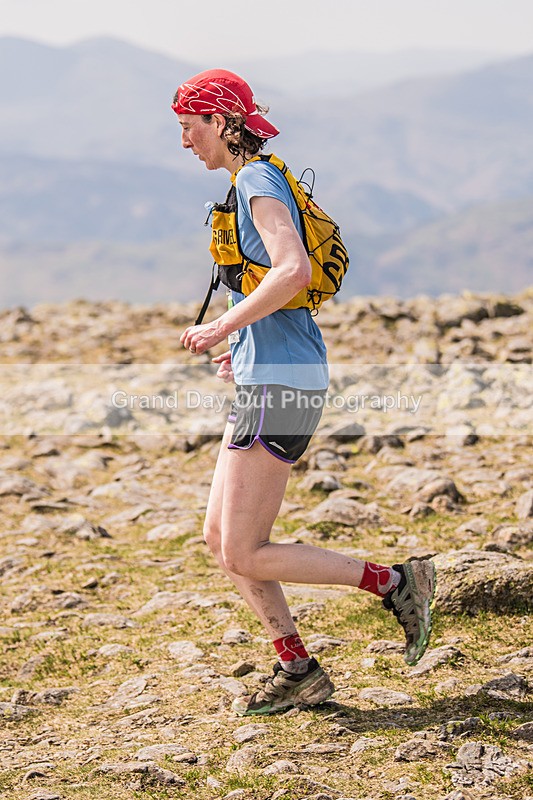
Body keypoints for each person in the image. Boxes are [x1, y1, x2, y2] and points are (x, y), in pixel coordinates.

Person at [172, 69, 436, 716]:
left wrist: (222, 327)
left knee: (244, 548)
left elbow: (292, 270)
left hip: (284, 384)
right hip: (271, 376)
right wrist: (241, 347)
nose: (184, 142)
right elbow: (268, 285)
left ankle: (396, 582)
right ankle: (296, 667)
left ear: (221, 123)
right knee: (220, 540)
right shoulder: (247, 182)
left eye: (189, 127)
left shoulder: (256, 181)